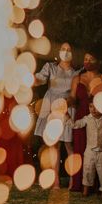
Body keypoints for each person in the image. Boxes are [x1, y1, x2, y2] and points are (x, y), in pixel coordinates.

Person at [68, 50, 102, 192]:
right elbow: (72, 97)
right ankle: (82, 185)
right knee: (81, 149)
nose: (87, 62)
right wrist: (66, 102)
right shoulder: (77, 78)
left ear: (99, 61)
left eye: (91, 59)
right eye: (85, 59)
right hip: (82, 116)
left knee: (101, 150)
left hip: (100, 119)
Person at [33, 42, 78, 187]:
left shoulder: (75, 73)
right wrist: (30, 79)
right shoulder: (50, 67)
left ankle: (73, 180)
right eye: (63, 49)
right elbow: (39, 79)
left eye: (68, 49)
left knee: (69, 145)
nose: (65, 52)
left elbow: (74, 94)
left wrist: (66, 104)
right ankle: (56, 180)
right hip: (51, 106)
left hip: (66, 107)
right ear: (59, 52)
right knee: (54, 146)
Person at [67, 97, 102, 199]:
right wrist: (67, 116)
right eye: (91, 106)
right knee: (87, 171)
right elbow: (75, 125)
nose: (93, 109)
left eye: (96, 107)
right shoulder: (87, 118)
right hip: (90, 151)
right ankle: (85, 191)